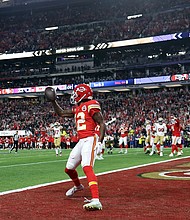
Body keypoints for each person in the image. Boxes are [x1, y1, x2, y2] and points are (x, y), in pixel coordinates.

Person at [45, 84, 106, 211]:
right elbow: (61, 113)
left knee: (87, 166)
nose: (74, 96)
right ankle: (78, 186)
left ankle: (96, 200)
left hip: (90, 138)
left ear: (82, 94)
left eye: (76, 93)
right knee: (69, 168)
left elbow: (101, 123)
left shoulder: (91, 104)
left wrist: (99, 142)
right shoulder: (78, 108)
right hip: (82, 140)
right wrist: (53, 101)